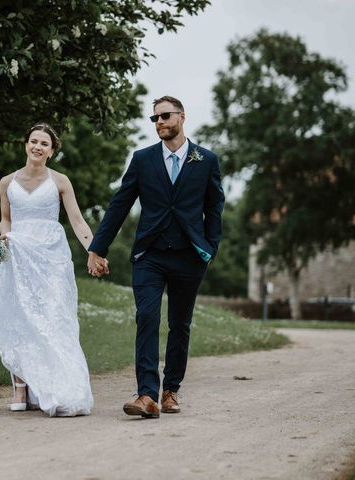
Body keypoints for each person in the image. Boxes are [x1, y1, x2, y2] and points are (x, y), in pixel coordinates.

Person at [87, 96, 225, 418]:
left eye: (165, 116)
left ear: (181, 117)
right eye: (155, 119)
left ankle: (170, 390)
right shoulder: (143, 159)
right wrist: (98, 247)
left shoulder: (205, 160)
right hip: (149, 254)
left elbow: (214, 209)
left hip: (190, 256)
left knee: (180, 324)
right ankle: (146, 394)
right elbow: (119, 205)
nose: (159, 122)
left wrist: (209, 249)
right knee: (147, 317)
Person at [0, 122, 98, 417]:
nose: (37, 147)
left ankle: (55, 385)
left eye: (44, 144)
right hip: (20, 256)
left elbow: (76, 220)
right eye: (33, 141)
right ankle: (21, 387)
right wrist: (4, 236)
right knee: (20, 317)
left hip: (51, 257)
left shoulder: (60, 181)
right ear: (26, 144)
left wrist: (94, 249)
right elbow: (5, 219)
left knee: (52, 317)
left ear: (51, 151)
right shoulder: (6, 182)